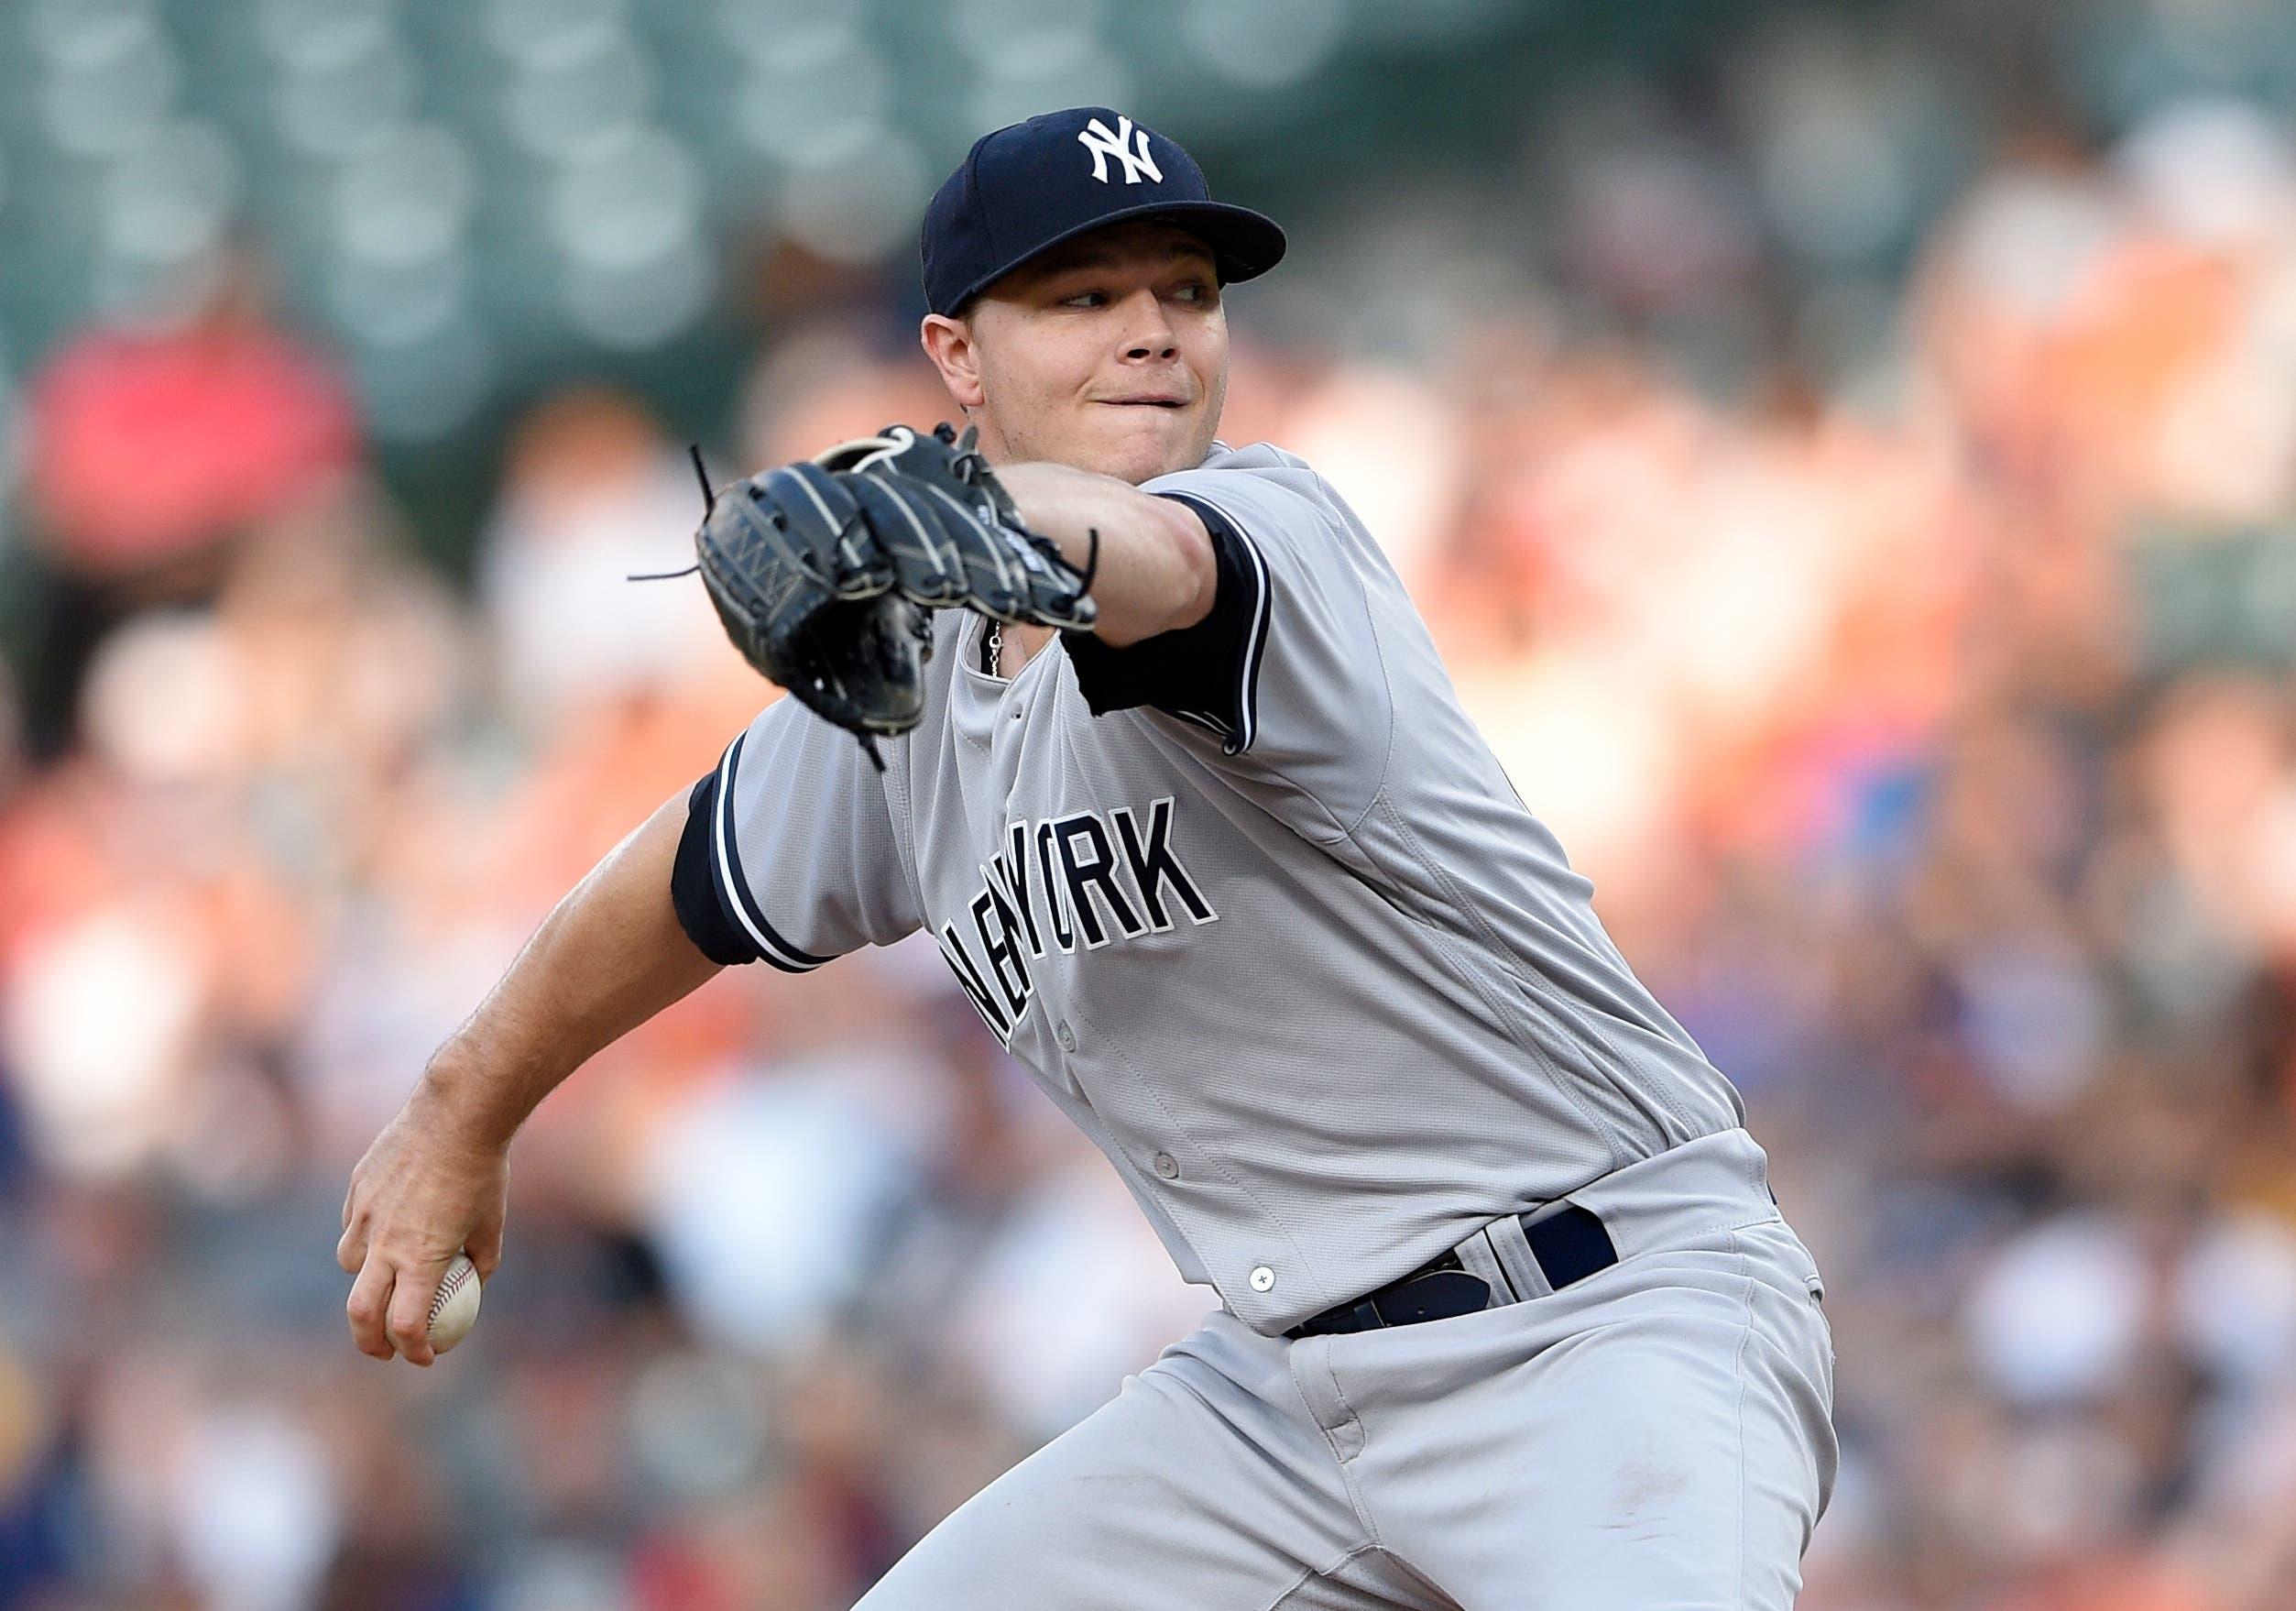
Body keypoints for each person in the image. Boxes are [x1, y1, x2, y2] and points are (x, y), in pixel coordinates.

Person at [339, 107, 1837, 1609]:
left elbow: (1158, 568)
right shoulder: (909, 664)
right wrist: (462, 1106)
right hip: (1284, 1399)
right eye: (1082, 298)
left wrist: (969, 509)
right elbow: (679, 886)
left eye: (1184, 291)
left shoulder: (1270, 528)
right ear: (956, 358)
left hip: (1605, 1325)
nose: (1152, 334)